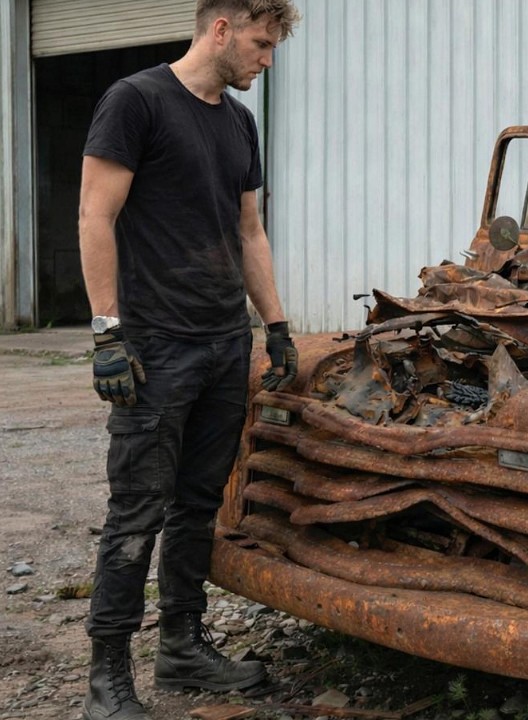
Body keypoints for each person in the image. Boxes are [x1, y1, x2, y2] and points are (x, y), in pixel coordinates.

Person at [77, 1, 301, 718]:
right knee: (136, 511)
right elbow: (94, 216)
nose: (267, 62)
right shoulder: (135, 101)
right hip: (154, 346)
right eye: (262, 45)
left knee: (199, 506)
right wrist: (108, 332)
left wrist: (278, 325)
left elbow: (249, 231)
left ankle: (181, 648)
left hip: (221, 343)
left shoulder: (238, 122)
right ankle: (106, 679)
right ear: (222, 29)